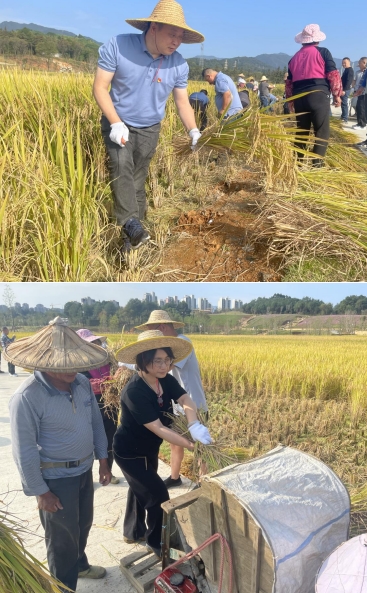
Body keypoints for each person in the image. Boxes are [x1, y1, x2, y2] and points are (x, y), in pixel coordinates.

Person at [7, 317, 111, 592]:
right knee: (61, 540)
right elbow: (24, 450)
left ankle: (80, 565)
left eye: (75, 362)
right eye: (63, 364)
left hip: (84, 471)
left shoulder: (82, 383)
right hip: (56, 480)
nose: (72, 369)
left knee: (82, 525)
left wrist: (103, 460)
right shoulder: (27, 397)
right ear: (44, 361)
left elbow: (96, 423)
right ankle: (63, 587)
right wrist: (41, 491)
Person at [92, 0, 205, 252]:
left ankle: (133, 238)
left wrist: (193, 131)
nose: (176, 41)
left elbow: (182, 102)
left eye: (181, 36)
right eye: (172, 34)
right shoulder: (118, 46)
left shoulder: (179, 64)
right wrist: (115, 123)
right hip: (118, 122)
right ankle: (131, 224)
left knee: (137, 179)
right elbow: (100, 87)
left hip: (150, 128)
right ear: (154, 27)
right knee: (121, 166)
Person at [114, 330, 212, 557]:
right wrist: (193, 445)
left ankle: (132, 532)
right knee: (158, 496)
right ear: (143, 361)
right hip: (129, 452)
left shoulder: (165, 380)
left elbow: (185, 398)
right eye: (157, 361)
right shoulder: (135, 391)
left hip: (149, 448)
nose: (164, 366)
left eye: (167, 360)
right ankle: (156, 542)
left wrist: (193, 424)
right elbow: (159, 428)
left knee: (140, 488)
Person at [135, 310, 208, 488]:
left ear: (162, 327)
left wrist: (133, 364)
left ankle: (202, 481)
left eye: (153, 331)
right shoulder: (165, 348)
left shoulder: (183, 343)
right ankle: (175, 477)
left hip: (193, 405)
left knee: (200, 445)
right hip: (177, 407)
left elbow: (163, 368)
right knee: (175, 444)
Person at [285, 24, 343, 166]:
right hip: (317, 95)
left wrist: (290, 101)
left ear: (303, 41)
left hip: (299, 98)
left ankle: (298, 162)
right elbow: (333, 74)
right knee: (321, 131)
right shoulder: (323, 52)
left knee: (302, 130)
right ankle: (316, 164)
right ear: (317, 39)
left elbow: (289, 83)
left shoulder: (293, 58)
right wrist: (337, 95)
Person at [76, 329, 120, 484]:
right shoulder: (78, 364)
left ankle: (108, 471)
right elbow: (85, 383)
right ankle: (85, 474)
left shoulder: (107, 360)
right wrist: (109, 380)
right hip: (88, 404)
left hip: (110, 404)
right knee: (87, 440)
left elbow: (116, 374)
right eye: (90, 344)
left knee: (109, 439)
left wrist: (120, 375)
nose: (95, 346)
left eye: (96, 343)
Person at [352, 57, 367, 129]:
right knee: (358, 107)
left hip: (364, 93)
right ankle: (359, 122)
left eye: (359, 63)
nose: (358, 64)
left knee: (362, 108)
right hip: (358, 92)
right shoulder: (358, 72)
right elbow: (354, 81)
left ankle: (362, 124)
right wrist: (353, 89)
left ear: (364, 63)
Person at [340, 58, 354, 123]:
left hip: (346, 89)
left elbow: (349, 81)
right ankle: (343, 116)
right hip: (343, 89)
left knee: (344, 103)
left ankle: (345, 118)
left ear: (349, 62)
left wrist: (344, 90)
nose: (343, 64)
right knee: (342, 103)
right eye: (342, 63)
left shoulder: (350, 70)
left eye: (345, 63)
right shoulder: (346, 70)